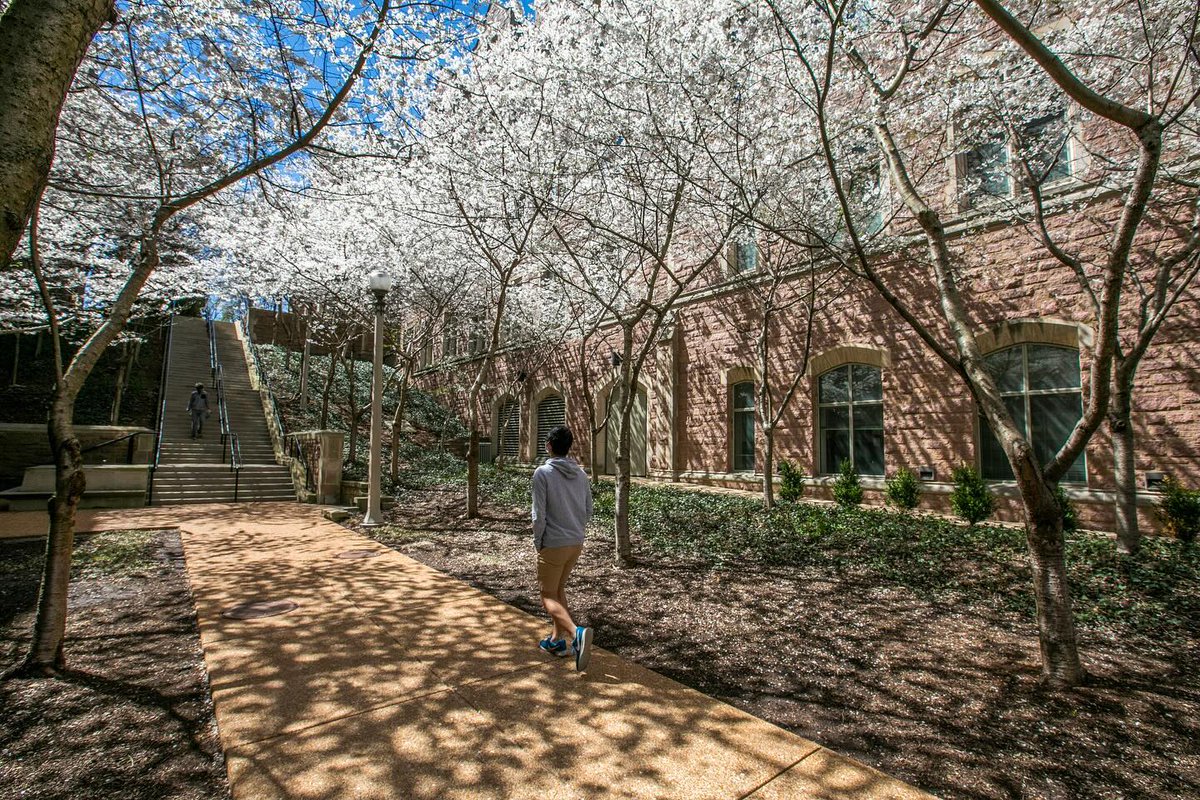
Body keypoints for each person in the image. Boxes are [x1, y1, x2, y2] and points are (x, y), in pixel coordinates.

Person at [531, 425, 594, 671]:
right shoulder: (580, 473)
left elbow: (539, 515)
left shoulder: (542, 473)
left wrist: (539, 542)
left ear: (548, 446)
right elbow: (588, 510)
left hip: (553, 543)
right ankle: (557, 641)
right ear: (568, 448)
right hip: (575, 543)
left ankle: (576, 633)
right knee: (558, 589)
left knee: (547, 595)